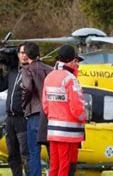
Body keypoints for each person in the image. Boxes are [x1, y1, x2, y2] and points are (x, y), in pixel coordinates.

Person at [42, 45, 85, 176]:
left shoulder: (49, 76)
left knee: (54, 165)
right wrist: (84, 118)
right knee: (65, 167)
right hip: (68, 133)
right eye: (76, 61)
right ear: (72, 61)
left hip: (53, 130)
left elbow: (45, 105)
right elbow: (77, 108)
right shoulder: (70, 79)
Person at [0, 45, 29, 176]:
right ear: (18, 55)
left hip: (23, 118)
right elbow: (1, 86)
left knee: (25, 153)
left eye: (26, 53)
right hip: (10, 118)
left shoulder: (32, 71)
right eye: (21, 53)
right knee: (12, 153)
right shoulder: (13, 71)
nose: (23, 55)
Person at [20, 42, 53, 176]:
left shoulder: (27, 69)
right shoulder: (50, 69)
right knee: (52, 152)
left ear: (27, 55)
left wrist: (23, 104)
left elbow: (27, 88)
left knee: (34, 152)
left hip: (34, 114)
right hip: (50, 114)